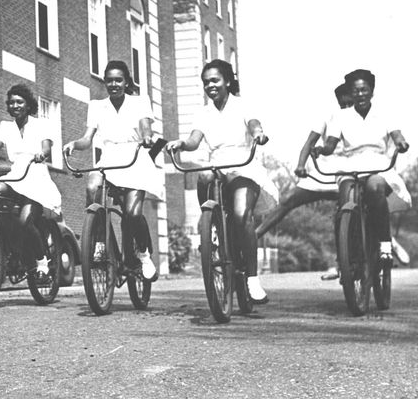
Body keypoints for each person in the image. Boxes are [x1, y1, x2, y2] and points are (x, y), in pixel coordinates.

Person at [165, 59, 278, 303]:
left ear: (227, 80)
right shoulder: (203, 112)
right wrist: (181, 143)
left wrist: (258, 134)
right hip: (218, 165)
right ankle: (210, 224)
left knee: (240, 214)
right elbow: (194, 140)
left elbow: (253, 124)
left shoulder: (242, 104)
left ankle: (252, 279)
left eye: (215, 80)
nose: (210, 86)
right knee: (204, 174)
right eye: (206, 82)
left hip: (243, 166)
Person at [63, 60, 161, 280]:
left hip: (134, 158)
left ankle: (143, 254)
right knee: (92, 187)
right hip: (109, 159)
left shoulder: (139, 102)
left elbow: (146, 127)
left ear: (126, 82)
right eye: (109, 80)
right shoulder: (97, 106)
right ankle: (100, 242)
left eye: (118, 80)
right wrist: (74, 144)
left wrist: (147, 138)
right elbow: (87, 139)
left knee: (132, 214)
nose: (114, 84)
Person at [0, 84, 62, 277]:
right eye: (12, 102)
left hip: (36, 178)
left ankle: (41, 261)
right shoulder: (6, 126)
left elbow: (46, 148)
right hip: (16, 175)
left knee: (26, 221)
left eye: (20, 102)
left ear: (28, 105)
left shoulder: (40, 124)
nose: (15, 105)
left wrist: (41, 155)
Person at [315, 69, 411, 265]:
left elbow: (397, 135)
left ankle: (385, 244)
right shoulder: (340, 117)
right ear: (351, 93)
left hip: (378, 164)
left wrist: (401, 144)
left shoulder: (384, 114)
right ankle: (350, 253)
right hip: (352, 165)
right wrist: (321, 150)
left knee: (375, 187)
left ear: (372, 91)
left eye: (364, 90)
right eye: (356, 91)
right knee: (345, 197)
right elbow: (331, 145)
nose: (360, 94)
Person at [254, 83, 352, 238]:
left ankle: (362, 247)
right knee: (288, 200)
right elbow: (309, 143)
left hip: (348, 173)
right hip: (323, 174)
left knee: (353, 206)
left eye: (350, 104)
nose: (347, 107)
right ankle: (254, 236)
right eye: (343, 104)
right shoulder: (330, 118)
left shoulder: (362, 121)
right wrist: (300, 166)